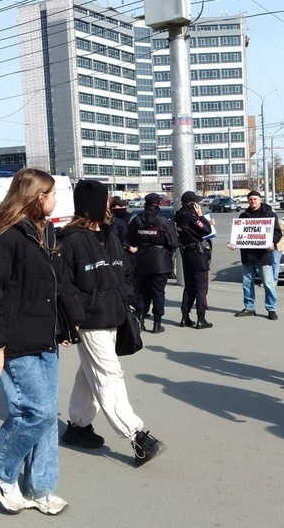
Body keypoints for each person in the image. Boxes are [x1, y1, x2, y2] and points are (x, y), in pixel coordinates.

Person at [0, 168, 83, 516]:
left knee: (47, 419)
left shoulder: (39, 233)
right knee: (38, 413)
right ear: (38, 198)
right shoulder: (3, 238)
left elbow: (46, 289)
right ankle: (2, 468)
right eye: (52, 194)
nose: (55, 200)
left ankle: (40, 488)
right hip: (15, 342)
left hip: (44, 339)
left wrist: (63, 327)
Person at [58, 180, 166, 465]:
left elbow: (124, 272)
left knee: (90, 371)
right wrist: (75, 318)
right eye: (106, 202)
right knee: (109, 373)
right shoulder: (71, 240)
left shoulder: (110, 235)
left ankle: (78, 426)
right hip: (90, 321)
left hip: (115, 314)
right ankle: (137, 436)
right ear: (92, 205)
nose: (112, 206)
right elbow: (64, 285)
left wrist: (128, 301)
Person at [128, 193, 180, 333]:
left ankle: (140, 321)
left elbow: (130, 240)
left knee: (142, 292)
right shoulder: (163, 221)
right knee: (158, 292)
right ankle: (157, 324)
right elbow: (174, 243)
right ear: (158, 204)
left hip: (142, 260)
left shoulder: (137, 220)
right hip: (160, 261)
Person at [229, 190, 282, 320]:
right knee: (247, 283)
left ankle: (271, 309)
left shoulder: (269, 215)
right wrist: (233, 243)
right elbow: (238, 235)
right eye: (250, 199)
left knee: (268, 283)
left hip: (263, 256)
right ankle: (249, 307)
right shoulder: (243, 216)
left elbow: (277, 233)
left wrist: (272, 242)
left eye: (255, 199)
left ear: (260, 200)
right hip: (247, 256)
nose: (253, 201)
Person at [174, 190, 214, 329]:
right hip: (197, 254)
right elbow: (207, 230)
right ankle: (201, 319)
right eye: (197, 202)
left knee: (189, 286)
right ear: (191, 204)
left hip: (186, 254)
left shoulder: (179, 215)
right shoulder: (191, 216)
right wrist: (201, 217)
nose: (199, 204)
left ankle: (185, 317)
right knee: (201, 287)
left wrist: (202, 220)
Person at [272, 217, 284, 283]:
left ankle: (274, 280)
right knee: (267, 264)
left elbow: (283, 232)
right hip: (267, 247)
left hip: (277, 247)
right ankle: (268, 280)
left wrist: (273, 234)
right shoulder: (265, 221)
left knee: (275, 262)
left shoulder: (280, 222)